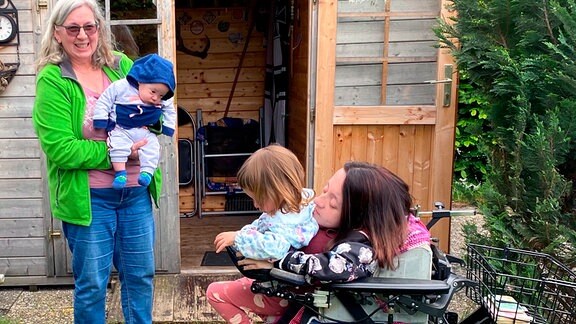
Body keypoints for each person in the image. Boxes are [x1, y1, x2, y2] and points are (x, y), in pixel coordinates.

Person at [32, 0, 161, 323]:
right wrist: (117, 153)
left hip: (135, 195)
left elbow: (156, 107)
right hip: (90, 200)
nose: (82, 35)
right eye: (72, 28)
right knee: (92, 285)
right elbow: (61, 149)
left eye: (89, 27)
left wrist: (155, 112)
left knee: (140, 278)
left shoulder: (121, 66)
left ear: (99, 29)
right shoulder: (53, 79)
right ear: (58, 33)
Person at [206, 161, 432, 323]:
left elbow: (327, 266)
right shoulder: (328, 225)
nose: (319, 202)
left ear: (359, 215)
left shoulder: (360, 247)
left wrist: (277, 262)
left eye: (332, 202)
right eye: (324, 191)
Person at [214, 144, 319, 261]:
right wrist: (241, 233)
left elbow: (275, 249)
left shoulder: (289, 220)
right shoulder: (284, 208)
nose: (255, 205)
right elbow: (261, 225)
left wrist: (239, 239)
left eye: (259, 199)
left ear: (279, 189)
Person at [93, 53, 176, 190]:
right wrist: (101, 119)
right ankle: (120, 173)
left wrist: (168, 126)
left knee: (153, 147)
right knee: (117, 146)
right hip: (121, 128)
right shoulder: (122, 87)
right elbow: (105, 100)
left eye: (161, 95)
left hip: (144, 131)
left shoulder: (163, 98)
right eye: (153, 92)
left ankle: (146, 173)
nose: (156, 98)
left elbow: (170, 110)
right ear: (140, 81)